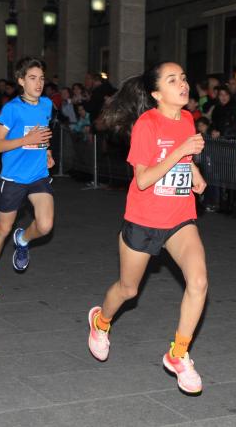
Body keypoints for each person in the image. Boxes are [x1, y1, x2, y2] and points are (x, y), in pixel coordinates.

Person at [86, 62, 209, 395]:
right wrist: (182, 151)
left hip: (180, 217)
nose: (183, 84)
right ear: (156, 93)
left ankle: (178, 354)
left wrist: (194, 172)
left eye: (184, 77)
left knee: (198, 282)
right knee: (128, 290)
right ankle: (101, 321)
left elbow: (185, 160)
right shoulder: (147, 124)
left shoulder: (187, 119)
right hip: (144, 219)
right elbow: (143, 179)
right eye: (173, 80)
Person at [0, 58, 55, 302]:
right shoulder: (12, 109)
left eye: (41, 78)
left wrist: (48, 152)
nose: (38, 83)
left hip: (38, 175)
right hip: (13, 178)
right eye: (32, 78)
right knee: (3, 228)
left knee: (45, 226)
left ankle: (23, 240)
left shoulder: (47, 104)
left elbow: (42, 134)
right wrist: (26, 140)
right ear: (21, 81)